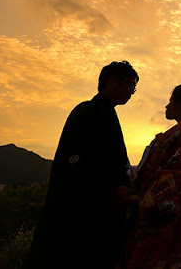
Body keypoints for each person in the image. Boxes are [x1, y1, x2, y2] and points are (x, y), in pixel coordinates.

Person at [28, 61, 139, 268]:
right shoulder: (88, 111)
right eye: (130, 84)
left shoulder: (103, 112)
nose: (132, 91)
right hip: (82, 217)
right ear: (112, 81)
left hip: (91, 213)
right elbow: (77, 165)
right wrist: (112, 191)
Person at [124, 83, 181, 269]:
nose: (167, 106)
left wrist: (135, 199)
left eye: (171, 101)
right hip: (165, 224)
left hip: (161, 227)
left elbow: (173, 185)